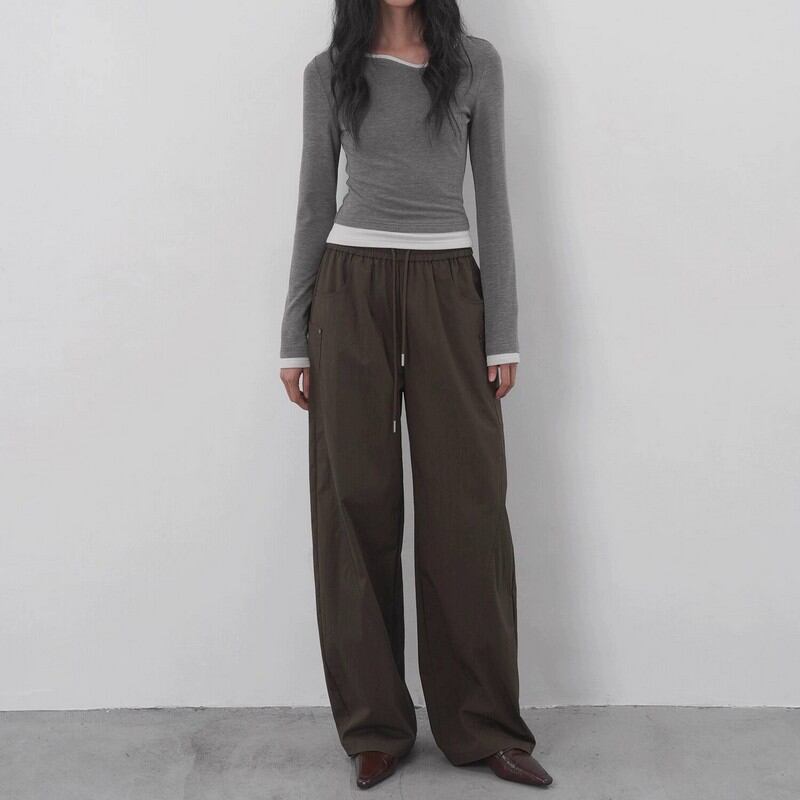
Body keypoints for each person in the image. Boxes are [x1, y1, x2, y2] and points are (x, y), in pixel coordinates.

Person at [279, 0, 553, 790]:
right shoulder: (328, 73)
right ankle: (375, 728)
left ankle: (485, 726)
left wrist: (502, 332)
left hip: (448, 290)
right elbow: (313, 202)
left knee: (468, 510)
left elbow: (493, 199)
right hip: (349, 289)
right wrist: (294, 335)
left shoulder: (474, 63)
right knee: (354, 505)